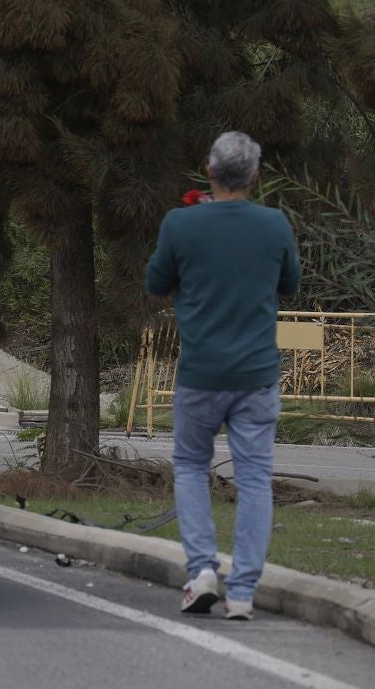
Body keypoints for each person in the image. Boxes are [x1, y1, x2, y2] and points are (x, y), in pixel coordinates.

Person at [146, 131, 300, 621]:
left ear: (208, 172)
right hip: (256, 373)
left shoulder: (180, 223)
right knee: (255, 477)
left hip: (201, 372)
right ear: (255, 178)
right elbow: (290, 284)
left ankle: (202, 571)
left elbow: (156, 282)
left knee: (191, 466)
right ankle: (245, 591)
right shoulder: (274, 225)